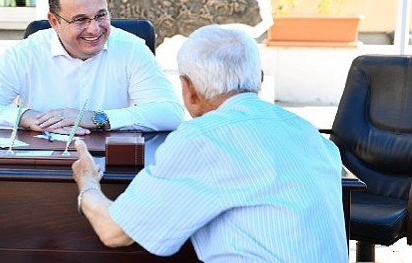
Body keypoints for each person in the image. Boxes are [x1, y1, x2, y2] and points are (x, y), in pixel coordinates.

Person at [72, 25, 347, 261]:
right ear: (259, 79)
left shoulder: (202, 139)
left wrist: (88, 184)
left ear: (189, 88)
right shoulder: (309, 132)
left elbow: (113, 231)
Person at [0, 0, 184, 134]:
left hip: (110, 166)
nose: (94, 29)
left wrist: (97, 118)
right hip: (41, 167)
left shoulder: (131, 48)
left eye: (101, 15)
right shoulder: (28, 52)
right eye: (80, 20)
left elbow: (170, 112)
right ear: (54, 21)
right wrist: (25, 118)